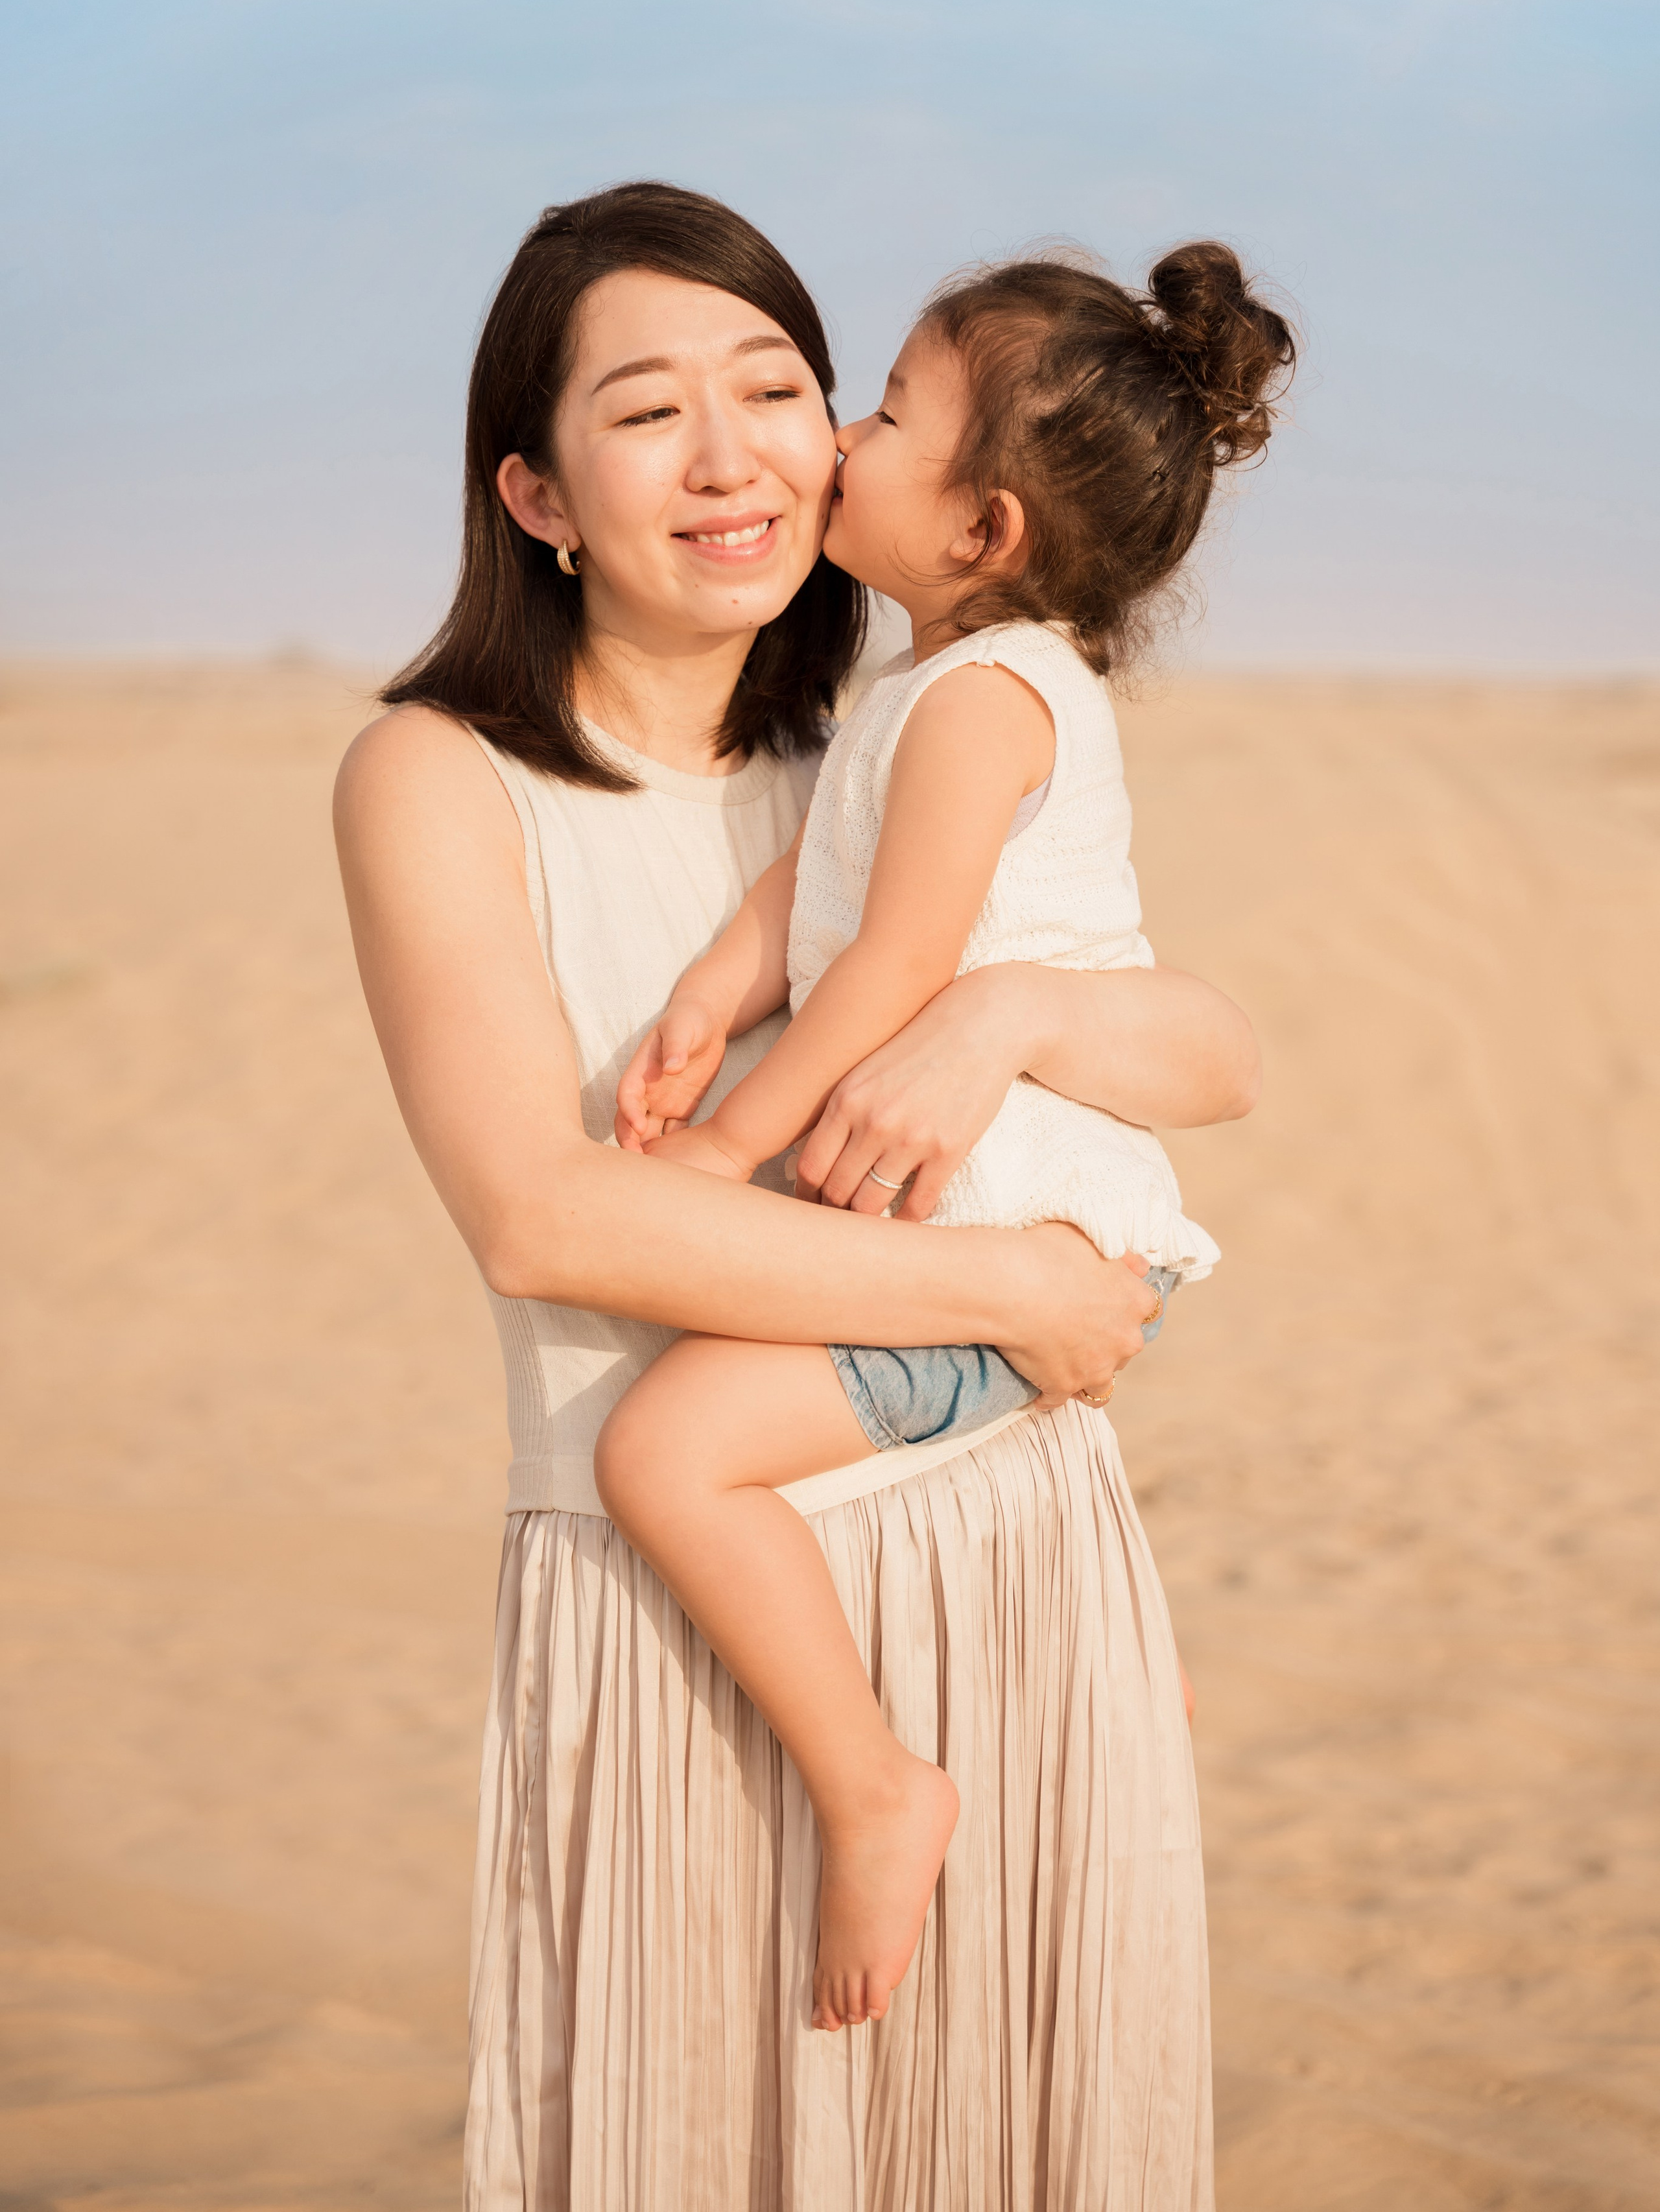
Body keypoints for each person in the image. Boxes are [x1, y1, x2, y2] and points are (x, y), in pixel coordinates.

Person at [333, 181, 1262, 2210]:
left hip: (1010, 1544)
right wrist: (1013, 1286)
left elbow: (1206, 1055)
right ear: (540, 492)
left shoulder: (878, 750)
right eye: (650, 410)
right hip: (680, 1598)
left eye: (782, 385)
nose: (745, 449)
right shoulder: (440, 779)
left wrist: (1003, 1011)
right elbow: (549, 1222)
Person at [595, 240, 1292, 2041]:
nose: (834, 433)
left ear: (980, 528)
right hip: (979, 1232)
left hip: (1011, 1235)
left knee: (668, 1453)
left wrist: (734, 1134)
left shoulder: (988, 701)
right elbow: (831, 886)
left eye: (885, 411)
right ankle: (1119, 1680)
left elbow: (905, 955)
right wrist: (716, 981)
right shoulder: (931, 694)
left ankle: (876, 1787)